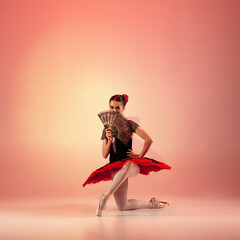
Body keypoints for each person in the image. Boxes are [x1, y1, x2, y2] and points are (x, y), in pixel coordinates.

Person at [82, 94, 171, 217]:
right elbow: (104, 154)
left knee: (127, 165)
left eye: (117, 108)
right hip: (114, 167)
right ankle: (152, 204)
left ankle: (105, 197)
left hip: (130, 165)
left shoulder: (129, 124)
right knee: (123, 206)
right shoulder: (106, 129)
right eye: (111, 107)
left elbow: (148, 139)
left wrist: (139, 155)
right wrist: (109, 140)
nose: (114, 111)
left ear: (124, 108)